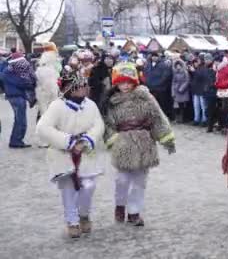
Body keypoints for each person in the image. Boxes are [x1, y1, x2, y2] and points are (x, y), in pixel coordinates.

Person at [103, 62, 176, 226]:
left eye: (129, 82)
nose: (126, 85)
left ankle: (134, 211)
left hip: (144, 143)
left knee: (140, 181)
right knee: (122, 179)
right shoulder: (111, 102)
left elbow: (158, 117)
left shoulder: (145, 97)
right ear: (116, 83)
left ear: (135, 81)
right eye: (122, 82)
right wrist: (113, 139)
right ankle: (120, 204)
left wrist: (166, 138)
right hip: (123, 142)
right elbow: (107, 123)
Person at [36, 72, 105, 238]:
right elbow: (43, 128)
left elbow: (98, 125)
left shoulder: (91, 105)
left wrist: (86, 140)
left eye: (84, 86)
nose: (83, 89)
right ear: (67, 89)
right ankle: (72, 221)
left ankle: (84, 214)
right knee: (68, 188)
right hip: (63, 154)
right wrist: (68, 142)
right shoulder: (57, 106)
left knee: (89, 185)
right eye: (78, 87)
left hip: (86, 151)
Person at [0, 53, 36, 148]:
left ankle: (15, 140)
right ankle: (16, 141)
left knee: (18, 119)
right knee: (21, 120)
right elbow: (23, 83)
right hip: (16, 96)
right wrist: (29, 83)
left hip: (15, 96)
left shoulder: (10, 71)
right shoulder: (10, 72)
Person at [143, 51, 174, 120]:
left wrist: (158, 83)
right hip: (150, 88)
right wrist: (147, 83)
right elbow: (145, 74)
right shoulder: (148, 64)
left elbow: (166, 76)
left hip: (161, 88)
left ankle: (163, 117)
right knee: (152, 103)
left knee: (162, 104)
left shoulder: (163, 65)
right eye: (153, 56)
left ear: (158, 57)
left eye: (155, 56)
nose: (154, 58)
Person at [35, 45, 61, 123]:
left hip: (41, 94)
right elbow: (52, 89)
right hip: (50, 95)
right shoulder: (51, 70)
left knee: (42, 112)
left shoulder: (39, 69)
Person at [189, 56, 214, 126]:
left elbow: (202, 76)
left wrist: (194, 71)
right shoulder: (197, 68)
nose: (195, 63)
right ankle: (196, 119)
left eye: (197, 61)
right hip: (196, 90)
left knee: (203, 106)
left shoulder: (204, 68)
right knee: (196, 106)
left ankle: (204, 120)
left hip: (202, 90)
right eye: (195, 62)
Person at [213, 56, 228, 134]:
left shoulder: (227, 68)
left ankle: (226, 126)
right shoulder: (218, 69)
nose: (215, 63)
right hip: (219, 90)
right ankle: (220, 124)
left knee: (225, 109)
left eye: (216, 61)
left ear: (220, 61)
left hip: (226, 90)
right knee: (219, 108)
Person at [171, 59, 190, 124]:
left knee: (182, 105)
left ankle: (182, 119)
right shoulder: (175, 73)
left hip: (182, 91)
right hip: (176, 90)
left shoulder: (185, 72)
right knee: (176, 106)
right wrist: (173, 91)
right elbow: (173, 82)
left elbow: (187, 81)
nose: (178, 67)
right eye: (177, 66)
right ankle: (177, 118)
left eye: (179, 66)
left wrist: (181, 88)